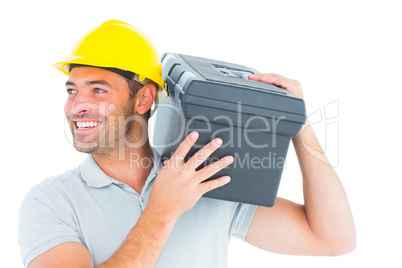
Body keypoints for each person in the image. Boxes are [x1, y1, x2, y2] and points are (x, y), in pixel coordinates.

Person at [18, 20, 356, 268]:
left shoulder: (200, 177)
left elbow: (333, 239)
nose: (77, 104)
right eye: (72, 90)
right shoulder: (51, 202)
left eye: (98, 89)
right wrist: (163, 210)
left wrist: (297, 122)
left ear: (144, 99)